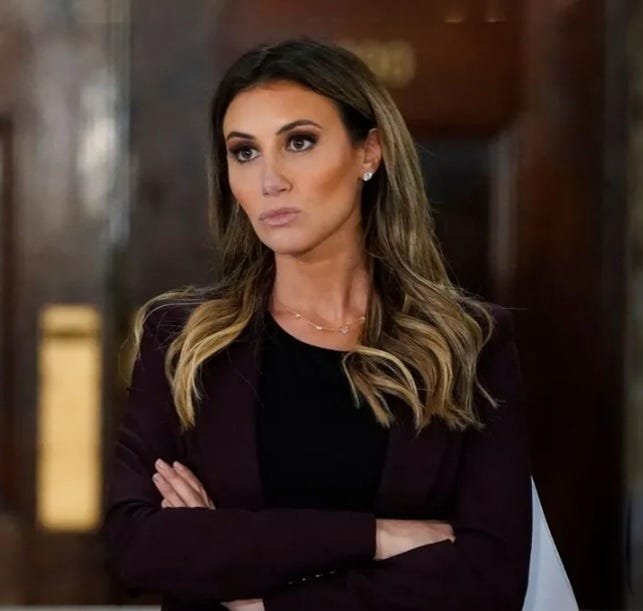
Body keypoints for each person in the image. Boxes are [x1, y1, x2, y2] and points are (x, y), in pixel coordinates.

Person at [103, 37, 532, 611]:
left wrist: (253, 586)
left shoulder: (469, 344)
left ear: (369, 153)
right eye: (244, 152)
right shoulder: (183, 340)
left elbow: (490, 575)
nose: (270, 180)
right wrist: (380, 537)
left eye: (299, 142)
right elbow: (138, 546)